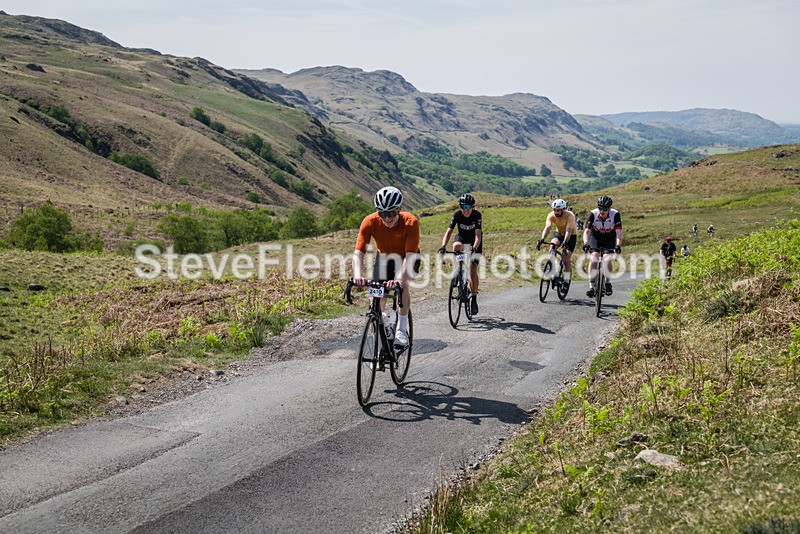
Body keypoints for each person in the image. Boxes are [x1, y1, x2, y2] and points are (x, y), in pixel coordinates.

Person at [353, 186, 420, 347]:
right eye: (382, 213)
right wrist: (357, 276)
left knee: (402, 286)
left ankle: (401, 330)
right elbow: (359, 252)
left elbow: (410, 256)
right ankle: (380, 331)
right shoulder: (370, 222)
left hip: (407, 257)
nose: (387, 218)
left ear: (400, 209)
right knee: (375, 295)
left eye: (391, 213)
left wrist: (398, 279)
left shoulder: (410, 222)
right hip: (384, 258)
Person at [438, 193, 482, 314]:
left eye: (468, 207)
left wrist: (474, 247)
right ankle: (459, 272)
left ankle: (473, 298)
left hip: (474, 241)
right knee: (456, 246)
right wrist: (443, 246)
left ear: (473, 207)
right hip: (462, 238)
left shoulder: (477, 215)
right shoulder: (457, 215)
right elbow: (449, 232)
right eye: (463, 207)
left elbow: (478, 235)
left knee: (473, 268)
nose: (465, 210)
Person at [582, 195, 622, 297]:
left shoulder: (615, 214)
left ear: (609, 208)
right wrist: (586, 243)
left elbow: (618, 233)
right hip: (595, 237)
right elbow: (587, 231)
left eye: (604, 208)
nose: (601, 211)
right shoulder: (593, 214)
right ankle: (591, 286)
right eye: (600, 208)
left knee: (607, 259)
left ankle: (608, 282)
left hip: (609, 238)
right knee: (594, 257)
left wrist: (618, 245)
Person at [536, 198, 577, 291]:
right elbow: (548, 227)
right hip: (559, 234)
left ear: (563, 209)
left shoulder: (570, 216)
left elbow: (568, 230)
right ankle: (553, 270)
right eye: (554, 210)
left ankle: (566, 280)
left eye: (558, 210)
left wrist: (565, 242)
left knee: (566, 260)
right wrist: (542, 239)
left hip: (571, 236)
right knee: (552, 247)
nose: (556, 212)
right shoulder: (551, 215)